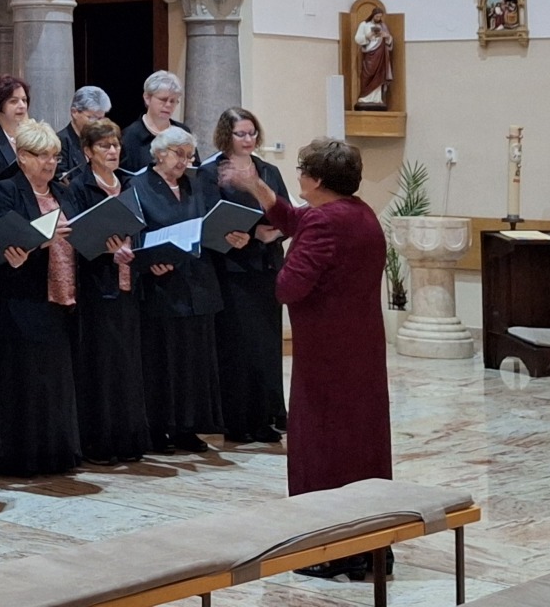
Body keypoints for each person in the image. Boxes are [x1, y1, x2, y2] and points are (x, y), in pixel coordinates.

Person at [221, 138, 391, 582]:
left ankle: (331, 550)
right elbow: (295, 219)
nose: (297, 177)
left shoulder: (323, 223)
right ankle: (372, 545)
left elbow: (288, 288)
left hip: (326, 354)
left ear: (315, 179)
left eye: (301, 170)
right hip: (361, 347)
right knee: (362, 440)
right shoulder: (360, 213)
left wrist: (270, 258)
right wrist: (257, 187)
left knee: (324, 443)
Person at [129, 126, 247, 455]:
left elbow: (208, 224)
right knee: (163, 359)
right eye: (179, 154)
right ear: (160, 153)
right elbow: (135, 232)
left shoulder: (194, 184)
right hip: (162, 284)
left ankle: (188, 427)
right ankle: (159, 429)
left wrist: (229, 235)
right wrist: (149, 261)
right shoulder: (138, 185)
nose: (185, 161)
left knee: (195, 360)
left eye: (189, 155)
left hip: (198, 282)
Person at [0, 119, 80, 476]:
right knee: (27, 378)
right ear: (22, 156)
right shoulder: (6, 190)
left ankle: (57, 453)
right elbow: (4, 236)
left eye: (54, 156)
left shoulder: (63, 192)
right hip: (24, 293)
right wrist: (41, 239)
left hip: (62, 292)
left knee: (56, 379)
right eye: (42, 155)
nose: (49, 163)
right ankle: (24, 458)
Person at [194, 108, 287, 446]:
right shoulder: (210, 172)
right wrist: (246, 234)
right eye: (241, 134)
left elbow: (286, 213)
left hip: (266, 267)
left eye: (252, 133)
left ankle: (266, 417)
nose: (248, 139)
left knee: (266, 345)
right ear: (226, 136)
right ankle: (237, 420)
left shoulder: (269, 171)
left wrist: (273, 232)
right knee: (237, 345)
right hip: (231, 269)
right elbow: (208, 219)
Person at [59, 118, 147, 464]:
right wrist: (106, 248)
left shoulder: (128, 183)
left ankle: (128, 438)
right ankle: (99, 442)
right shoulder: (78, 186)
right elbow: (78, 235)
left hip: (128, 283)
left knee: (127, 365)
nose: (113, 151)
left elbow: (140, 225)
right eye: (104, 146)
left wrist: (134, 247)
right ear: (87, 151)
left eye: (116, 145)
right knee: (101, 366)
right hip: (97, 286)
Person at [121, 70, 187, 172]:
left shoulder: (183, 132)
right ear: (147, 98)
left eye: (173, 101)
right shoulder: (129, 136)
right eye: (163, 99)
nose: (168, 105)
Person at [56, 85, 111, 181]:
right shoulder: (60, 142)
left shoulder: (100, 141)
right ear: (74, 112)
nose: (98, 123)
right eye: (92, 118)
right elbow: (62, 180)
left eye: (101, 118)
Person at [353, 7, 394, 108]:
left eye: (380, 17)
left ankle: (376, 99)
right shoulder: (364, 25)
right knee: (367, 74)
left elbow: (389, 40)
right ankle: (364, 97)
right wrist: (368, 36)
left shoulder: (383, 26)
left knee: (379, 75)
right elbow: (357, 39)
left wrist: (387, 36)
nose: (378, 18)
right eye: (377, 16)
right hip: (369, 54)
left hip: (380, 53)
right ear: (372, 15)